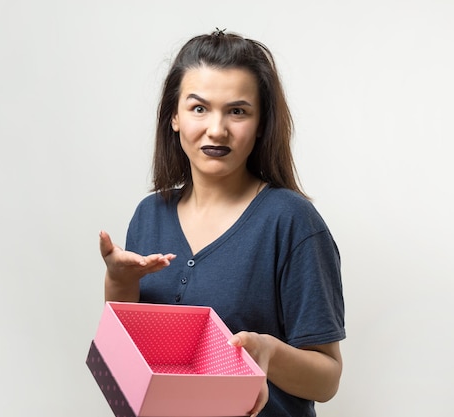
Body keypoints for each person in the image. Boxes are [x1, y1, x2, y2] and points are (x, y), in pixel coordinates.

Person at [99, 28, 345, 417]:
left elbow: (328, 379)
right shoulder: (149, 215)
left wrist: (269, 353)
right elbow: (131, 355)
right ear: (174, 118)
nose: (217, 129)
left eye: (237, 111)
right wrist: (120, 283)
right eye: (199, 108)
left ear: (262, 123)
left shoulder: (292, 221)